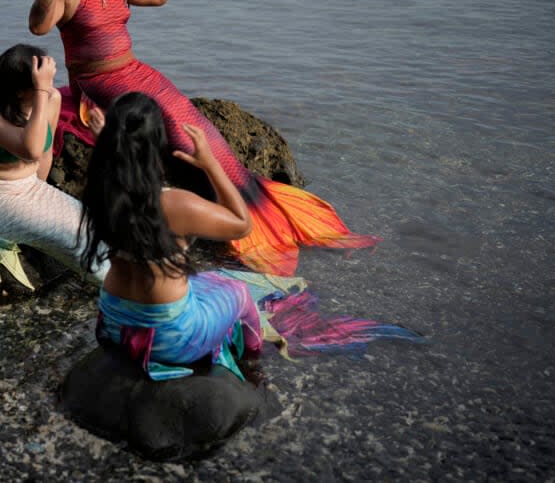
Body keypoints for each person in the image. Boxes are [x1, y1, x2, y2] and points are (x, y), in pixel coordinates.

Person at [30, 0, 379, 277]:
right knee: (178, 138)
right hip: (99, 81)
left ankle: (255, 202)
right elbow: (38, 26)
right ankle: (233, 224)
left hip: (136, 70)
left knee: (202, 132)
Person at [80, 93, 422, 380]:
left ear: (112, 145)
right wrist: (210, 164)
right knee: (241, 292)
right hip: (170, 340)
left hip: (112, 324)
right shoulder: (175, 204)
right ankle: (251, 370)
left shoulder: (101, 192)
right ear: (157, 145)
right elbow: (241, 225)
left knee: (208, 278)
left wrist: (104, 143)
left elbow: (112, 167)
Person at [0, 43, 107, 290]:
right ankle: (128, 294)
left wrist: (43, 199)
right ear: (19, 91)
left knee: (98, 230)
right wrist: (41, 93)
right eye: (42, 83)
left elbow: (44, 156)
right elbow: (31, 149)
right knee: (82, 248)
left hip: (30, 187)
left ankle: (140, 280)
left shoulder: (51, 98)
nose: (50, 87)